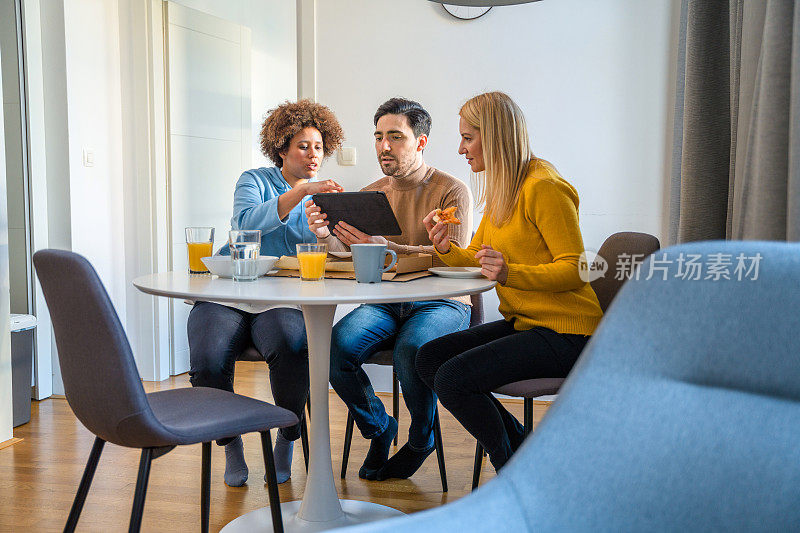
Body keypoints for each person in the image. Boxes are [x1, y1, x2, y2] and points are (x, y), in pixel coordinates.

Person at [417, 91, 603, 472]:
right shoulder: (504, 188)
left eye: (468, 138)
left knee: (452, 378)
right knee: (429, 358)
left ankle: (513, 467)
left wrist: (510, 272)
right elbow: (480, 256)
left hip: (568, 332)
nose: (460, 149)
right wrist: (447, 247)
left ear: (496, 136)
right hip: (529, 323)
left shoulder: (544, 187)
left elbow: (576, 268)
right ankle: (524, 455)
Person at [305, 98, 473, 481]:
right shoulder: (371, 193)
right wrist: (324, 236)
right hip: (385, 302)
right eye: (379, 136)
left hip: (441, 302)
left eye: (396, 137)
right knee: (332, 350)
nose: (384, 146)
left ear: (421, 141)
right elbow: (349, 253)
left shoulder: (452, 190)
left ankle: (420, 439)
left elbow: (455, 257)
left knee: (412, 349)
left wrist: (386, 246)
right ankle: (379, 428)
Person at [187, 100, 344, 487]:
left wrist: (325, 231)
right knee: (206, 359)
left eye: (319, 147)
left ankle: (287, 437)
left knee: (291, 349)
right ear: (281, 149)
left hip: (284, 295)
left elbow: (330, 254)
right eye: (303, 146)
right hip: (230, 289)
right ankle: (230, 442)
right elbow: (244, 225)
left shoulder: (323, 196)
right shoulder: (254, 180)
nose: (313, 155)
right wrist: (300, 192)